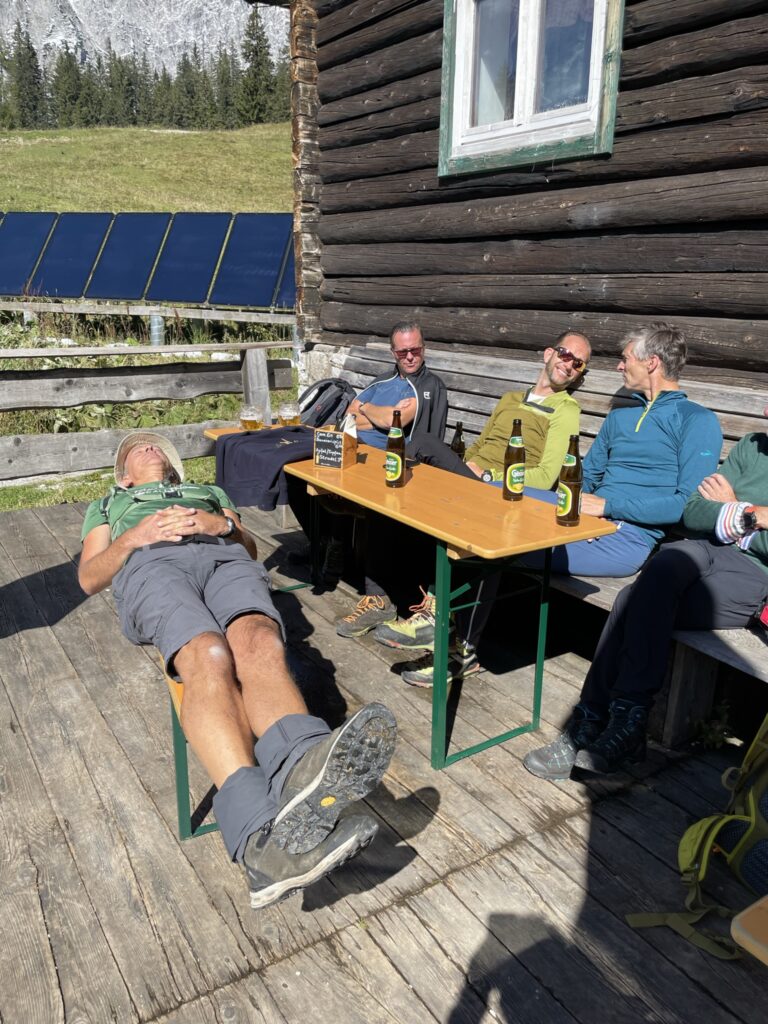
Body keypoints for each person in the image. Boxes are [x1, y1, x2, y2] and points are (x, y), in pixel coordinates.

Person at [78, 431, 397, 909]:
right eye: (136, 448)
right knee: (208, 655)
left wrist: (220, 525)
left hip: (223, 559)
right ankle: (258, 843)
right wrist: (134, 536)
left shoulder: (209, 493)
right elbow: (88, 577)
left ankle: (300, 769)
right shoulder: (109, 505)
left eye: (156, 447)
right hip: (151, 565)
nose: (149, 448)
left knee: (260, 642)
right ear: (124, 476)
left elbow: (247, 545)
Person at [523, 410, 768, 780]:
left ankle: (593, 724)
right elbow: (695, 510)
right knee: (667, 563)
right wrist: (751, 514)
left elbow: (736, 528)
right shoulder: (753, 445)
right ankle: (619, 725)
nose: (764, 410)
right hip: (708, 549)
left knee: (628, 601)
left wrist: (730, 510)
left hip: (753, 576)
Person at [367, 332, 593, 686]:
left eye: (578, 363)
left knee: (422, 444)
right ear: (548, 353)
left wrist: (489, 474)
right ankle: (430, 616)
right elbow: (478, 448)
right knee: (415, 498)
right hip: (470, 481)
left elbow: (548, 476)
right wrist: (463, 469)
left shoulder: (566, 411)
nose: (569, 364)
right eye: (565, 354)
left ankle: (446, 634)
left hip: (502, 492)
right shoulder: (510, 399)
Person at [518, 321, 723, 578]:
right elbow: (588, 475)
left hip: (625, 538)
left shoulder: (696, 420)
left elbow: (687, 504)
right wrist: (580, 514)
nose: (619, 366)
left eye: (625, 359)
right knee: (493, 495)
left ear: (651, 363)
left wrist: (608, 508)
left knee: (506, 542)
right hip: (582, 514)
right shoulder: (619, 418)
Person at [333, 322, 449, 635]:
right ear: (393, 352)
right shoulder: (382, 380)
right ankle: (331, 551)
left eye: (416, 350)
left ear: (424, 348)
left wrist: (371, 413)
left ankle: (379, 600)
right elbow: (350, 417)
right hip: (364, 457)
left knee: (377, 503)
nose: (411, 356)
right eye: (403, 351)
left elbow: (394, 422)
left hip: (411, 467)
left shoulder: (430, 385)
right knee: (312, 485)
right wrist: (377, 414)